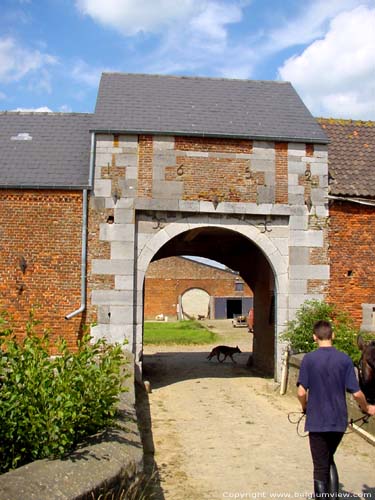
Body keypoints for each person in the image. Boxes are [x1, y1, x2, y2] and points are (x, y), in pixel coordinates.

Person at [297, 320, 375, 499]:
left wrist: (305, 407)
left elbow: (301, 392)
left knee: (320, 467)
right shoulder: (345, 359)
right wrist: (368, 407)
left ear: (314, 337)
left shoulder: (309, 359)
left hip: (317, 421)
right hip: (338, 421)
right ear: (333, 335)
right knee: (328, 458)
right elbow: (356, 393)